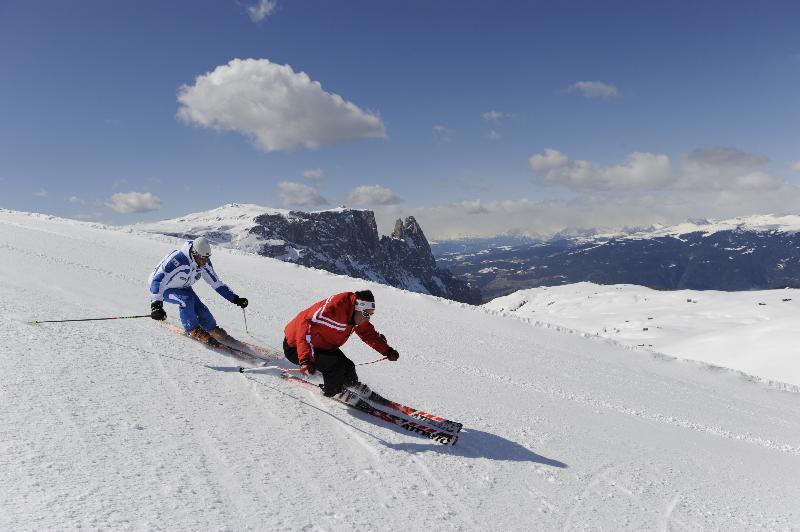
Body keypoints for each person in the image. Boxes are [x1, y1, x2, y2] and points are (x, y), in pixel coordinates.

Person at [283, 290, 400, 397]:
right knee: (335, 366)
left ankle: (351, 385)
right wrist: (306, 360)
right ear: (357, 308)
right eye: (366, 313)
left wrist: (387, 350)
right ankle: (332, 392)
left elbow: (367, 333)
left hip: (322, 345)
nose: (368, 318)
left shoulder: (357, 316)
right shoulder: (332, 310)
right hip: (296, 347)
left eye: (371, 314)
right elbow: (304, 328)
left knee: (348, 367)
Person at [148, 236, 248, 346]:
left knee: (201, 309)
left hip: (183, 286)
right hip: (163, 288)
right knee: (187, 300)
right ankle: (192, 330)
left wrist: (235, 299)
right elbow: (157, 280)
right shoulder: (177, 260)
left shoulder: (204, 262)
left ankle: (212, 329)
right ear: (194, 253)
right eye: (202, 259)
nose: (204, 262)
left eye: (207, 258)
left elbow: (216, 283)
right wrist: (156, 305)